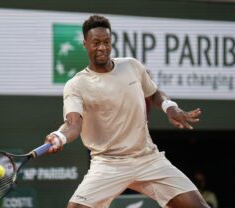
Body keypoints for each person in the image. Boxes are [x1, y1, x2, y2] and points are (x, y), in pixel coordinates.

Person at [44, 15, 209, 208]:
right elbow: (73, 123)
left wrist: (169, 107)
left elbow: (154, 93)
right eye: (96, 42)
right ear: (85, 44)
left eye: (107, 42)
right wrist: (59, 137)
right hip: (108, 163)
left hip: (147, 158)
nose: (102, 47)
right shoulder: (76, 85)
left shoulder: (132, 66)